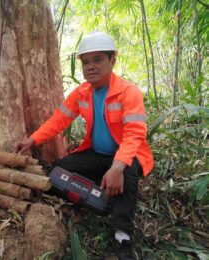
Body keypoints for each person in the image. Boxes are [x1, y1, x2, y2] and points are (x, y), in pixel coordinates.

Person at [15, 31, 154, 260]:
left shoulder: (129, 92)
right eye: (86, 62)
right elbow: (58, 121)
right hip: (97, 154)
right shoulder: (82, 93)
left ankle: (122, 234)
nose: (90, 67)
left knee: (126, 174)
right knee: (60, 171)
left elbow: (134, 135)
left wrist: (118, 167)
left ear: (112, 60)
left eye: (98, 59)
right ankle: (100, 198)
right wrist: (32, 139)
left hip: (127, 156)